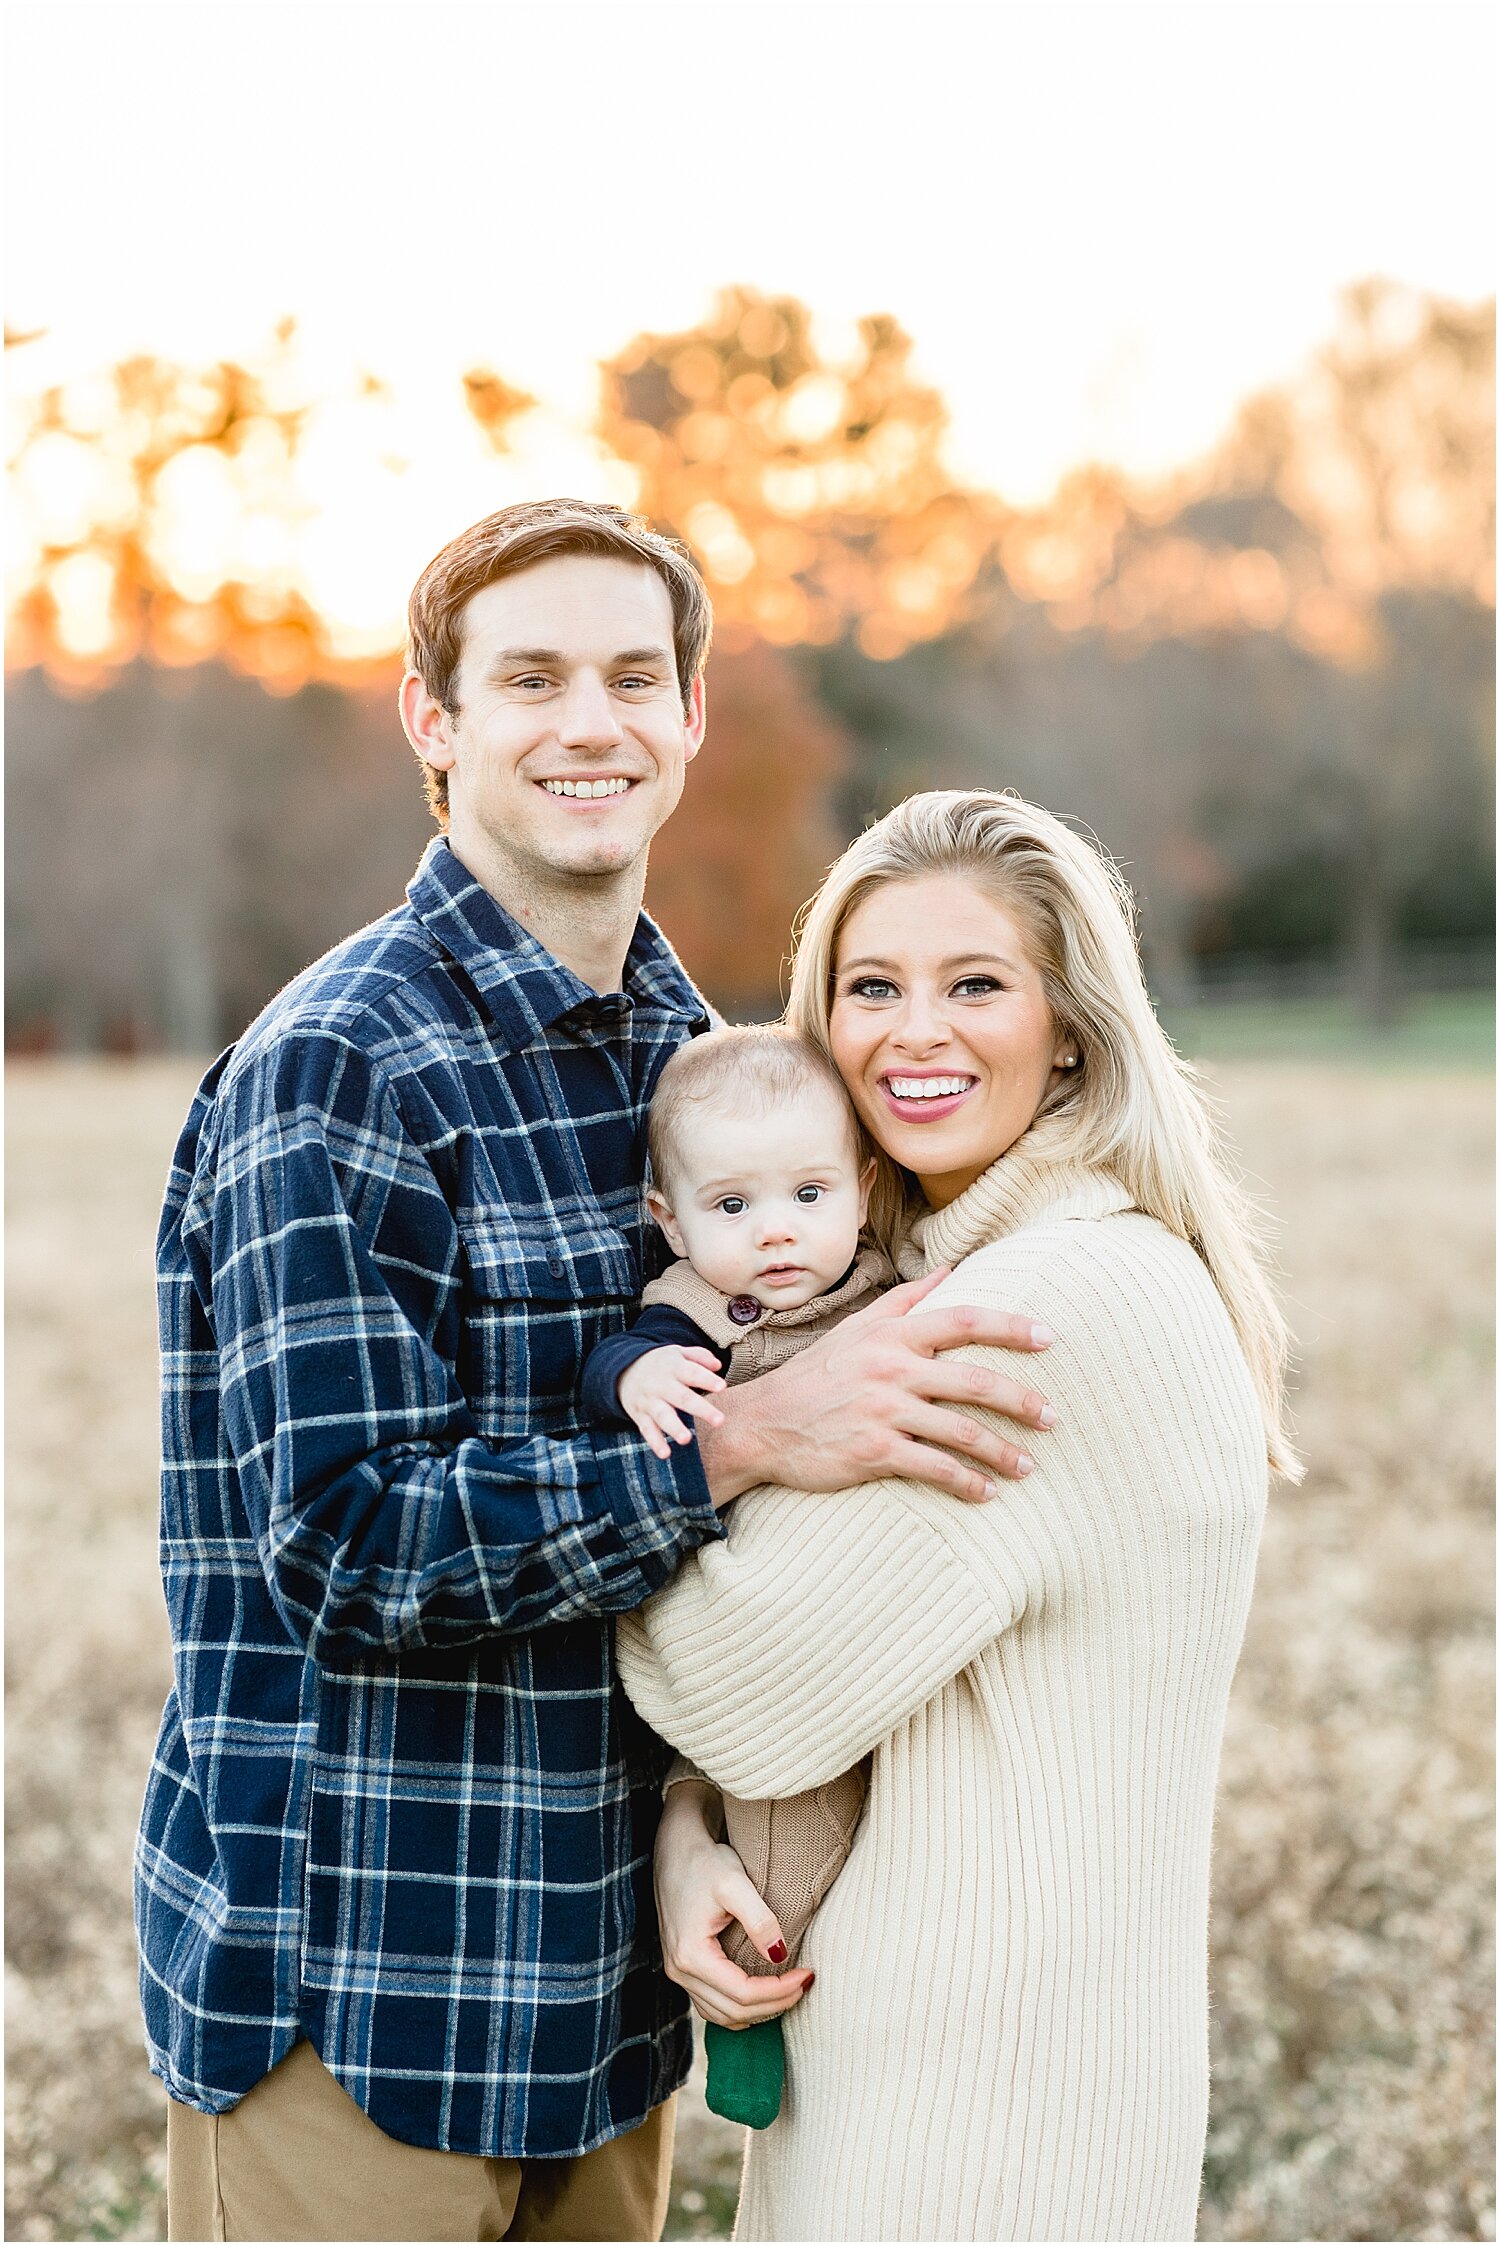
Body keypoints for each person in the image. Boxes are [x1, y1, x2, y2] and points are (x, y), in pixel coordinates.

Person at [133, 503, 1058, 2245]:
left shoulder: (698, 1064)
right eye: (531, 677)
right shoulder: (341, 1069)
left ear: (692, 716)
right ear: (436, 718)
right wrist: (739, 1443)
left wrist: (696, 1827)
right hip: (366, 1995)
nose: (592, 723)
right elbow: (347, 1543)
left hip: (607, 1993)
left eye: (637, 676)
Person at [620, 788, 1302, 2242]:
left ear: (1070, 1026)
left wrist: (709, 1448)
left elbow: (739, 1689)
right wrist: (688, 1841)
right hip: (944, 2086)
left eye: (975, 984)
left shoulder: (1042, 1305)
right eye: (871, 987)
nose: (912, 1033)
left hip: (977, 2129)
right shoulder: (986, 1269)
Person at [581, 1024, 890, 2126]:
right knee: (770, 1841)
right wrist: (635, 1374)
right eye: (732, 1208)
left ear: (861, 1184)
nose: (777, 1236)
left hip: (866, 1613)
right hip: (743, 1625)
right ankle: (750, 2029)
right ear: (668, 1217)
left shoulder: (883, 1279)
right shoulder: (689, 1313)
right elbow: (616, 1367)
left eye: (809, 1194)